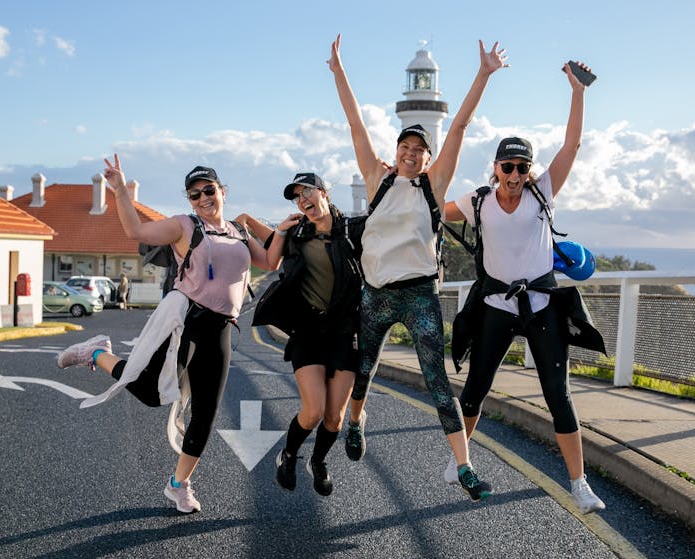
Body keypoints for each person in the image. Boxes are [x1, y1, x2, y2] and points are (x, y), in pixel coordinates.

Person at [327, 34, 507, 501]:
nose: (410, 154)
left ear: (429, 156)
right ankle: (356, 419)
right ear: (397, 149)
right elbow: (354, 124)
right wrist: (339, 72)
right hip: (376, 293)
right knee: (364, 370)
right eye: (404, 148)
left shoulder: (434, 184)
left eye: (418, 150)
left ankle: (465, 466)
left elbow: (462, 125)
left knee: (437, 381)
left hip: (420, 294)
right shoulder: (377, 179)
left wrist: (484, 73)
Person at [56, 154, 274, 514]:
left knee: (204, 416)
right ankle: (96, 352)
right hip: (186, 320)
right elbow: (136, 233)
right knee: (148, 390)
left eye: (208, 190)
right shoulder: (184, 226)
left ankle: (179, 485)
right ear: (189, 201)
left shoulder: (238, 232)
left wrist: (253, 221)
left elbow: (272, 261)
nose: (203, 198)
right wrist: (120, 192)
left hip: (220, 329)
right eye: (194, 194)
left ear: (222, 191)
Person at [443, 61, 606, 514]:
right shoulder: (477, 202)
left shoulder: (543, 193)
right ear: (495, 168)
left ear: (530, 170)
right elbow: (433, 205)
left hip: (541, 304)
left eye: (522, 167)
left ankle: (579, 484)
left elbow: (572, 143)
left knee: (559, 394)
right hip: (496, 304)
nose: (514, 175)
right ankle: (460, 462)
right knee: (475, 388)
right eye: (507, 166)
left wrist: (578, 91)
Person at [238, 173, 365, 497]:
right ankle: (290, 454)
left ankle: (318, 461)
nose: (302, 200)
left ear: (324, 192)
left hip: (345, 330)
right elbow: (271, 247)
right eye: (296, 197)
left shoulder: (353, 230)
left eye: (307, 191)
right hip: (308, 329)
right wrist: (250, 222)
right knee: (313, 411)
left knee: (334, 418)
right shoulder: (298, 232)